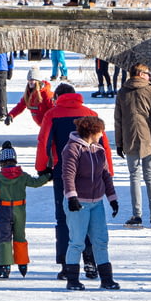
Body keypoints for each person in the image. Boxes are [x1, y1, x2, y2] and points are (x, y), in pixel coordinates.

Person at [35, 83, 113, 282]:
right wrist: (108, 173)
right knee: (92, 217)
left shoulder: (52, 114)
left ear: (58, 97)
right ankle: (90, 261)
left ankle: (66, 265)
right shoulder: (90, 113)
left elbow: (44, 141)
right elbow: (104, 146)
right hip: (93, 173)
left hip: (64, 173)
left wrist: (42, 167)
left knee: (64, 218)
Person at [61, 116, 120, 290]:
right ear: (92, 132)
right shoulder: (72, 149)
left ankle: (106, 279)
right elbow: (68, 175)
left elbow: (105, 176)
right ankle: (72, 279)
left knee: (101, 241)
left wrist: (112, 199)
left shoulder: (99, 150)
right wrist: (71, 197)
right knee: (77, 242)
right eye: (100, 131)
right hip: (78, 203)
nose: (103, 134)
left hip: (96, 204)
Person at [0, 141, 52, 279]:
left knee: (5, 237)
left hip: (4, 209)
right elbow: (36, 183)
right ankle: (22, 263)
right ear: (14, 161)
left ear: (1, 162)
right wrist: (48, 175)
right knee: (20, 235)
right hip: (20, 209)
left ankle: (5, 266)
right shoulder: (22, 176)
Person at [114, 63, 151, 228]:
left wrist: (119, 143)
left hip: (129, 138)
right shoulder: (150, 90)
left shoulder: (122, 92)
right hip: (147, 138)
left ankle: (137, 214)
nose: (149, 76)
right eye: (148, 73)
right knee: (149, 175)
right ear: (141, 74)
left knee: (134, 177)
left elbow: (118, 120)